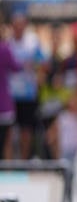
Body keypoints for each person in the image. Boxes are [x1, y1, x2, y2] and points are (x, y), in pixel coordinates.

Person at [6, 12, 47, 159]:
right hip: (9, 96)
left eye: (21, 25)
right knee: (9, 132)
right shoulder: (7, 44)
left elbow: (43, 63)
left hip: (28, 95)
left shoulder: (32, 43)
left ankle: (23, 162)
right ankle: (9, 165)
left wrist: (38, 74)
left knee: (26, 131)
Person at [0, 27, 23, 158]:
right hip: (4, 104)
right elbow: (17, 67)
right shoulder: (5, 49)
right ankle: (6, 173)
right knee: (7, 141)